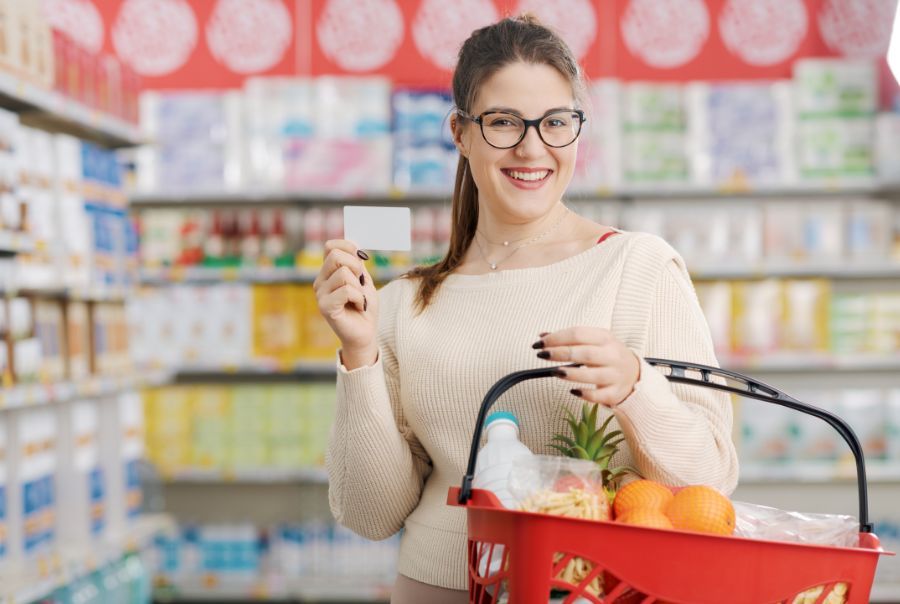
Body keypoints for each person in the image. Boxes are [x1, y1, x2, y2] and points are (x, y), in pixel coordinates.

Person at [314, 14, 739, 603]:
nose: (532, 147)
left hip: (597, 588)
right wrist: (358, 353)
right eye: (504, 122)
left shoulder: (638, 269)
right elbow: (371, 514)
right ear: (460, 133)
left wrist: (635, 386)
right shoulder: (403, 301)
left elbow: (709, 485)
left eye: (555, 122)